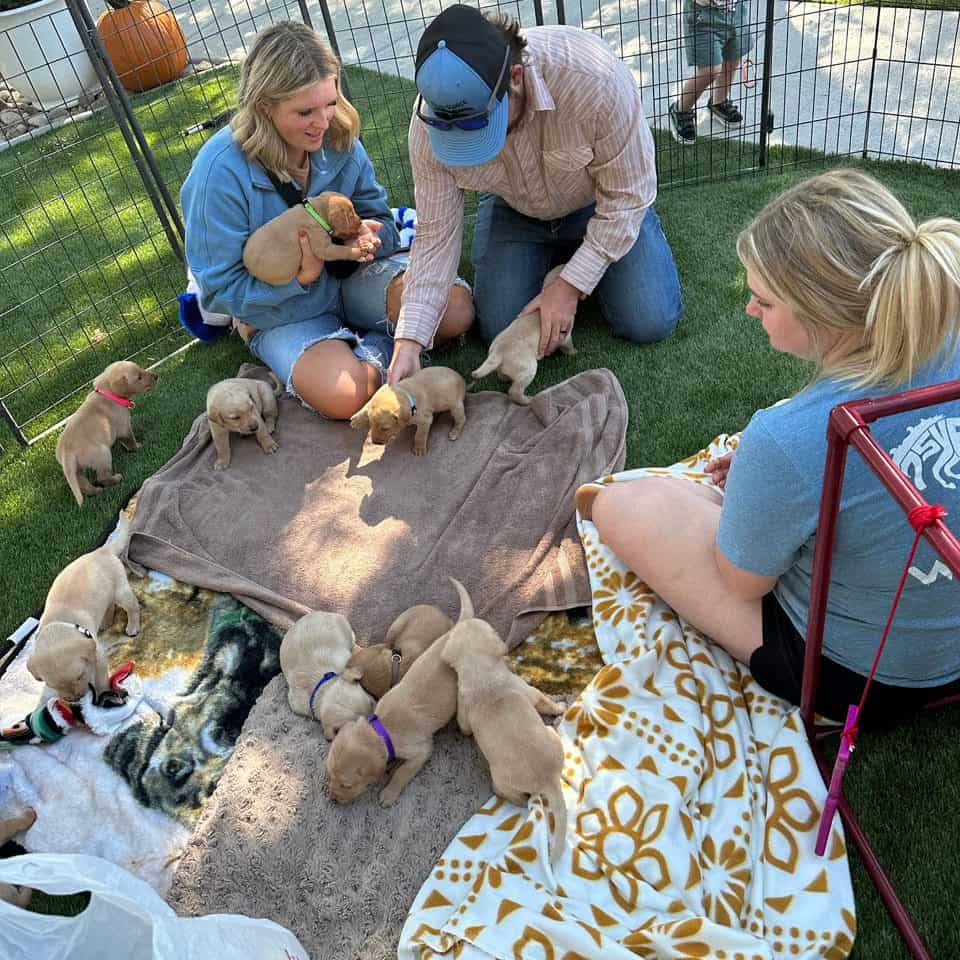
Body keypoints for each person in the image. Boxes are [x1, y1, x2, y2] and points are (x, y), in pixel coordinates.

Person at [590, 169, 960, 725]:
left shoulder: (790, 434)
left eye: (764, 299)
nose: (749, 310)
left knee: (620, 504)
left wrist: (758, 486)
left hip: (857, 680)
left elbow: (744, 584)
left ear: (819, 314)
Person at [180, 22, 474, 419]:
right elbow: (218, 291)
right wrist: (301, 277)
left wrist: (374, 236)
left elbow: (379, 216)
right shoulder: (218, 172)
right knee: (346, 396)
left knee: (456, 309)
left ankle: (365, 338)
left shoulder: (337, 135)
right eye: (305, 111)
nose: (324, 121)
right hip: (283, 310)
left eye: (330, 102)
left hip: (350, 278)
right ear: (265, 107)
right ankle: (370, 344)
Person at [388, 5, 682, 384]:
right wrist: (409, 341)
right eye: (453, 134)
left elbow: (628, 197)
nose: (468, 142)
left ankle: (581, 262)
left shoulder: (595, 78)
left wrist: (569, 286)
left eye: (479, 125)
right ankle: (565, 264)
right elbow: (435, 235)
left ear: (515, 76)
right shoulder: (428, 125)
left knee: (650, 320)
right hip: (513, 208)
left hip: (598, 202)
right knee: (497, 327)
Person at [669, 0, 752, 146]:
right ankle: (681, 109)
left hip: (735, 10)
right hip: (703, 16)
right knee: (710, 70)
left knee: (733, 58)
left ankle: (718, 102)